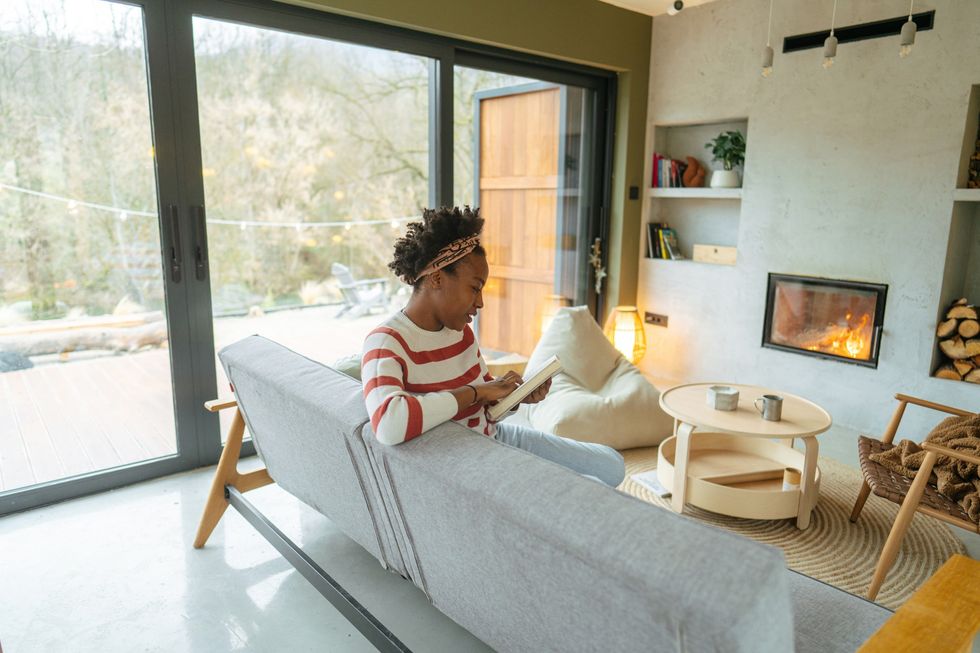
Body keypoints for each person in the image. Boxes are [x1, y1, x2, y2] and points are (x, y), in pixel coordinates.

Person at [360, 206, 624, 487]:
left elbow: (485, 406)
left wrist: (515, 397)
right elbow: (388, 425)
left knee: (612, 465)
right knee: (592, 487)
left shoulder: (460, 334)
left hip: (495, 435)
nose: (480, 302)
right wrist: (475, 392)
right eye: (475, 288)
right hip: (472, 457)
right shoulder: (386, 342)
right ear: (436, 278)